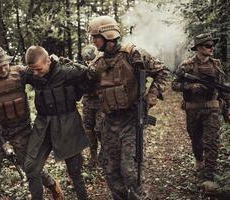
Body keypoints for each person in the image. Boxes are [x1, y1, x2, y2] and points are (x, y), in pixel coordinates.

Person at [0, 46, 63, 200]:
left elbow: (43, 75)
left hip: (22, 130)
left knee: (31, 168)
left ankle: (53, 186)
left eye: (4, 64)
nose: (3, 69)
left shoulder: (21, 72)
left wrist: (52, 63)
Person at [88, 16, 169, 200]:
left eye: (96, 37)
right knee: (110, 170)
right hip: (109, 122)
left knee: (131, 171)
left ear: (108, 36)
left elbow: (162, 72)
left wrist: (152, 95)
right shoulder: (98, 62)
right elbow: (85, 81)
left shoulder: (134, 54)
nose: (93, 41)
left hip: (131, 121)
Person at [23, 46, 98, 200]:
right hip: (43, 125)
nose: (35, 73)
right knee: (31, 168)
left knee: (75, 171)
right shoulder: (31, 73)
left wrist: (68, 62)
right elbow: (13, 74)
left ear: (49, 61)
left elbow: (90, 73)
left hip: (67, 124)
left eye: (38, 68)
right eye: (32, 69)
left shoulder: (66, 72)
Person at [172, 33, 230, 190]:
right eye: (207, 46)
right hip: (193, 110)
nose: (211, 48)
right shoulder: (187, 65)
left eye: (212, 45)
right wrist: (191, 87)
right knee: (196, 140)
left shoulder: (216, 64)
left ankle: (209, 177)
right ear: (198, 48)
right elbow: (174, 84)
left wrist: (228, 107)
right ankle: (199, 160)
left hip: (212, 108)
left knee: (212, 142)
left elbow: (222, 87)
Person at [81, 45, 103, 167]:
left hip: (101, 103)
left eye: (91, 59)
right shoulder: (83, 69)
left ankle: (104, 154)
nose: (89, 62)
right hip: (88, 102)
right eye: (87, 60)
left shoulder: (102, 64)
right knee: (89, 131)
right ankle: (93, 157)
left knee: (100, 130)